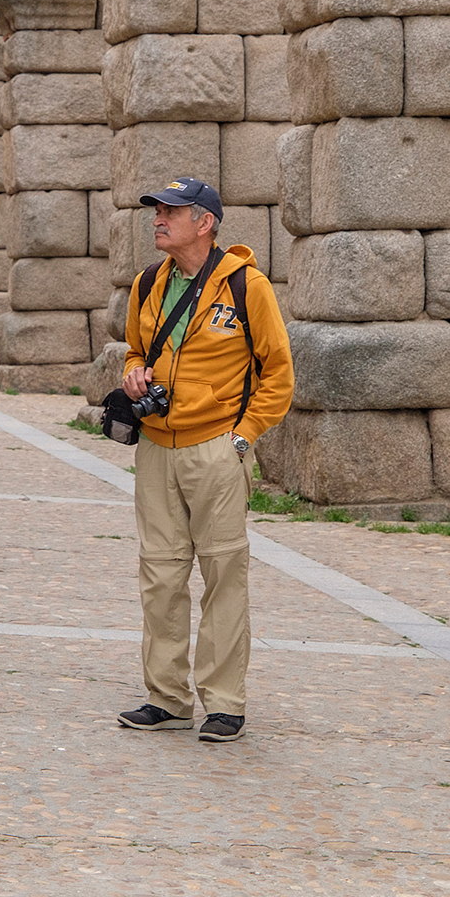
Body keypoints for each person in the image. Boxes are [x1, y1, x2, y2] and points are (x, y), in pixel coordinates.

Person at [114, 179, 294, 744]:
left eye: (171, 211)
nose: (158, 219)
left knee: (222, 575)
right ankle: (167, 699)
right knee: (160, 576)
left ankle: (224, 703)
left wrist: (242, 439)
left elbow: (278, 374)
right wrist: (134, 371)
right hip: (155, 449)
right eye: (157, 211)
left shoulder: (248, 286)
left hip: (216, 448)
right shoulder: (147, 282)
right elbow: (137, 349)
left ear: (205, 222)